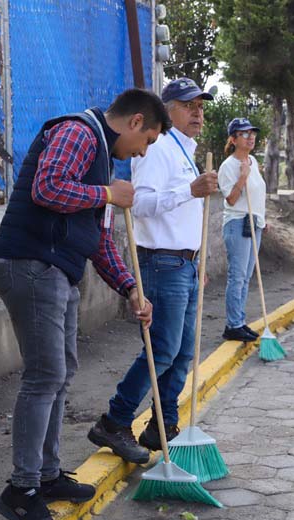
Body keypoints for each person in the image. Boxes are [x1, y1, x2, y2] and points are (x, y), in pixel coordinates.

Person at [0, 89, 167, 520]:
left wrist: (129, 288)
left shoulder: (102, 161)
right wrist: (108, 193)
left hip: (57, 271)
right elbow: (47, 187)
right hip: (32, 266)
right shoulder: (78, 131)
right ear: (134, 121)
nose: (142, 151)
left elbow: (98, 239)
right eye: (147, 140)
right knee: (44, 375)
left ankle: (47, 476)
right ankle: (22, 489)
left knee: (60, 373)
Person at [89, 78, 218, 458]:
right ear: (168, 110)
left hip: (185, 263)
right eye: (188, 105)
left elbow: (187, 212)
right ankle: (115, 419)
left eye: (200, 105)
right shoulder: (158, 148)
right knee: (161, 349)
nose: (197, 112)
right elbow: (139, 204)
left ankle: (162, 425)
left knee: (181, 353)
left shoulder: (183, 150)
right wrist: (189, 190)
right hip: (162, 261)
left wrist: (198, 259)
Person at [218, 117, 266, 341]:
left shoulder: (253, 161)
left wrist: (262, 218)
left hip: (254, 222)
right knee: (237, 276)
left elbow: (257, 194)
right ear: (234, 139)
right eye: (245, 134)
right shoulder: (228, 166)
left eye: (252, 133)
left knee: (246, 276)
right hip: (238, 222)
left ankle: (239, 320)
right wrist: (243, 176)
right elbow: (231, 199)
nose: (251, 137)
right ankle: (233, 324)